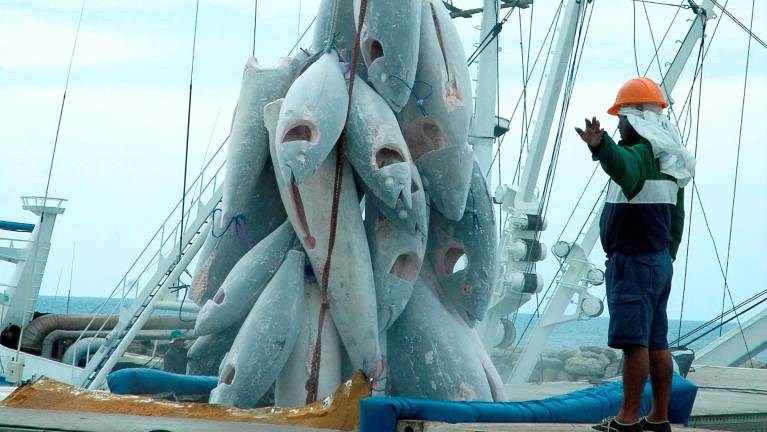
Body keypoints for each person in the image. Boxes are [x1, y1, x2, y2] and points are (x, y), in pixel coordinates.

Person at [575, 77, 695, 432]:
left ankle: (626, 419)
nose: (618, 125)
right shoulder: (672, 163)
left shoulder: (639, 156)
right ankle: (658, 417)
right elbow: (677, 220)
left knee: (634, 344)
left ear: (635, 119)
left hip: (633, 262)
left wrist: (601, 146)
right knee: (657, 343)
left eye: (621, 118)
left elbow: (623, 167)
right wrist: (666, 255)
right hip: (658, 262)